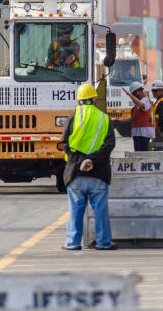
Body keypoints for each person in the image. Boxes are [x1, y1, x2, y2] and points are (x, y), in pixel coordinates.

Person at [61, 83, 116, 251]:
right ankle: (103, 243)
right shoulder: (103, 118)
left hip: (76, 174)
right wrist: (92, 160)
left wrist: (79, 162)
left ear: (79, 101)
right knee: (100, 211)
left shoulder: (73, 118)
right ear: (94, 100)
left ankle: (73, 242)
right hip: (98, 173)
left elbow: (65, 143)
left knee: (76, 210)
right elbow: (109, 145)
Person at [127, 81, 154, 151]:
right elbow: (133, 119)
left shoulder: (146, 100)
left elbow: (142, 105)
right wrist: (118, 121)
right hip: (137, 133)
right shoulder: (136, 106)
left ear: (137, 92)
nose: (133, 97)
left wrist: (130, 95)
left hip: (144, 133)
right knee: (138, 153)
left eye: (133, 94)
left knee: (142, 154)